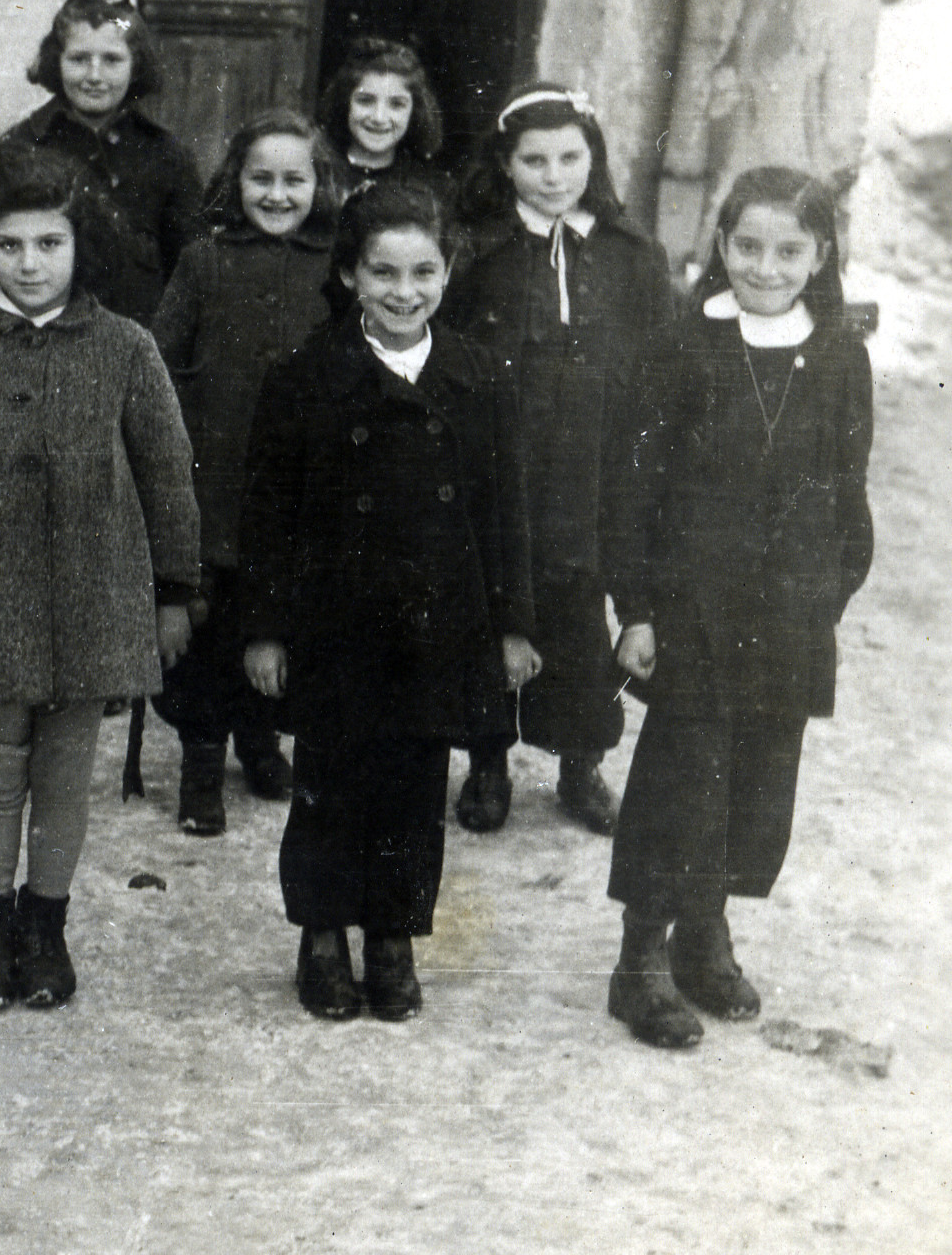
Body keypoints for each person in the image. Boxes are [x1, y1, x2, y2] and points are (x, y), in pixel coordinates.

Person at [0, 142, 200, 1014]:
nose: (29, 265)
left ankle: (47, 927)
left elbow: (167, 472)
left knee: (67, 775)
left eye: (49, 245)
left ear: (81, 248)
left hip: (95, 596)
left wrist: (173, 592)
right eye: (9, 247)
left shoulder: (126, 348)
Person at [240, 181, 538, 1023]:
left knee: (413, 787)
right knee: (329, 784)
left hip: (438, 624)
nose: (403, 292)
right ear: (346, 276)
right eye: (382, 273)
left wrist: (513, 624)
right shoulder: (303, 378)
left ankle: (392, 938)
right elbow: (265, 516)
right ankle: (322, 935)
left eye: (423, 272)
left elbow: (505, 511)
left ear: (448, 273)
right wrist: (263, 630)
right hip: (335, 625)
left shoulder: (478, 378)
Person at [599, 168, 871, 1049]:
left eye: (789, 250)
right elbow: (633, 488)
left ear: (820, 255)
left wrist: (825, 592)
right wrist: (636, 608)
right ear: (719, 247)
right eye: (746, 246)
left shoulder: (836, 353)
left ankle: (702, 937)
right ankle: (638, 958)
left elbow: (846, 490)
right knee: (682, 779)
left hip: (788, 617)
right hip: (693, 614)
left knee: (755, 782)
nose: (765, 266)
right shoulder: (681, 345)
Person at [447, 84, 678, 835]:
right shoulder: (477, 250)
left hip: (595, 462)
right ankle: (487, 759)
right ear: (505, 165)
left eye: (569, 157)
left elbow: (656, 360)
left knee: (579, 614)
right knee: (490, 608)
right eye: (534, 160)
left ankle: (581, 762)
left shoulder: (629, 251)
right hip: (504, 460)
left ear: (593, 157)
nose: (553, 176)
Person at [150, 110, 342, 836]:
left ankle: (259, 739)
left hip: (298, 484)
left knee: (280, 621)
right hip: (216, 475)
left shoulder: (333, 264)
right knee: (209, 629)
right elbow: (159, 355)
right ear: (234, 181)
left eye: (294, 179)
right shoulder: (205, 259)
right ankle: (202, 765)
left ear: (319, 185)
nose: (276, 193)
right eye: (260, 178)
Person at [0, 0, 203, 329]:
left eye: (111, 60)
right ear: (55, 62)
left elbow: (189, 275)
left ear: (136, 65)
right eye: (78, 59)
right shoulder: (18, 148)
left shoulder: (168, 156)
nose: (94, 76)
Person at [318, 39, 451, 204]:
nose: (379, 117)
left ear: (415, 111)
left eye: (396, 104)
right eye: (365, 101)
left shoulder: (433, 189)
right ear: (345, 102)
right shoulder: (317, 174)